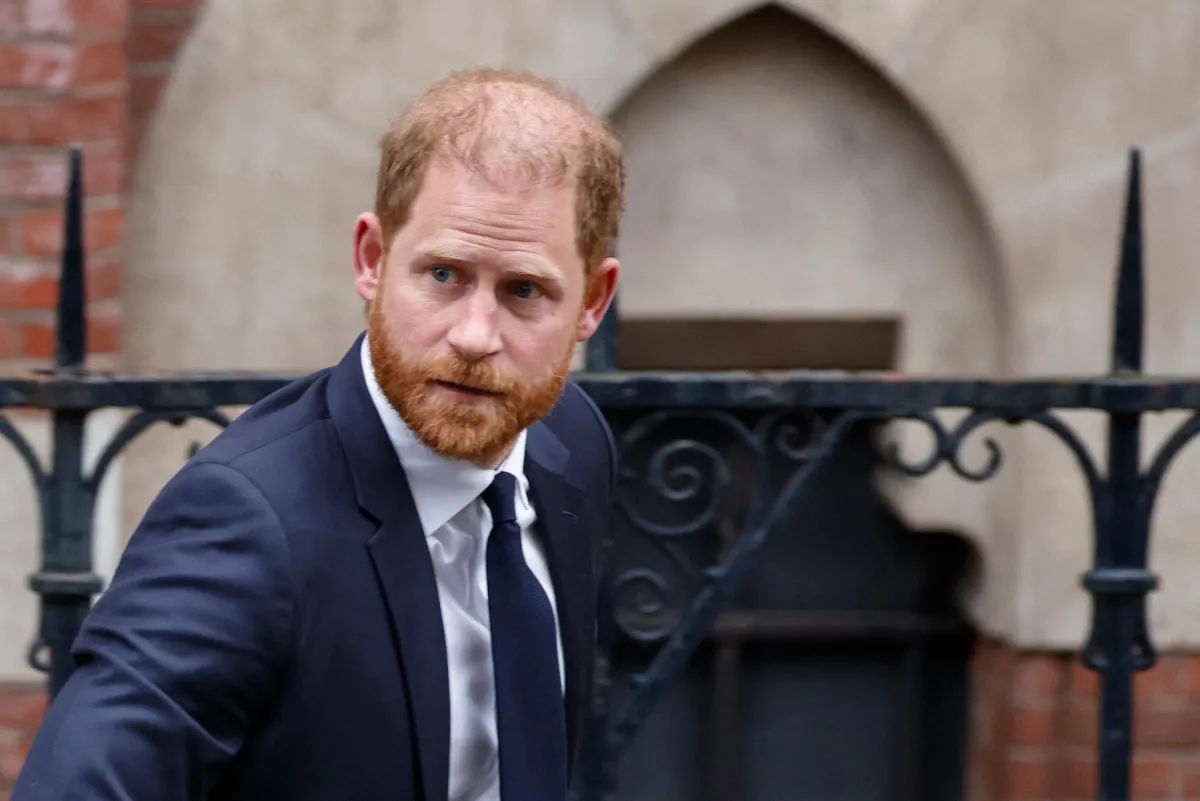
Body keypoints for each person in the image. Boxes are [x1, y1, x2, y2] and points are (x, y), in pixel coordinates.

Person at [14, 67, 623, 801]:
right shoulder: (249, 522)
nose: (473, 335)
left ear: (592, 302)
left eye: (523, 290)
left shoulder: (571, 443)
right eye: (443, 274)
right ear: (372, 259)